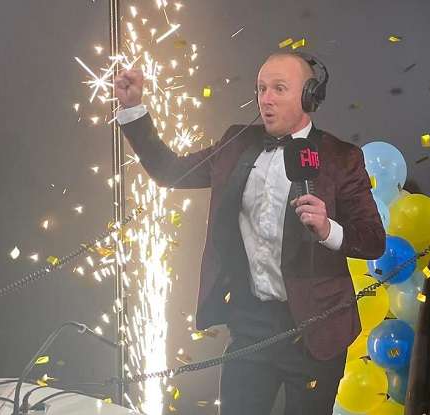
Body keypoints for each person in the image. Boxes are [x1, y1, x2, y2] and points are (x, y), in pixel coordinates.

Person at [113, 51, 386, 415]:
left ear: (308, 97)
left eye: (278, 89)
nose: (266, 99)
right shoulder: (236, 143)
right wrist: (134, 109)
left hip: (315, 330)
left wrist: (327, 229)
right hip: (252, 324)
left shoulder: (341, 157)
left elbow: (373, 239)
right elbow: (169, 171)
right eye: (260, 89)